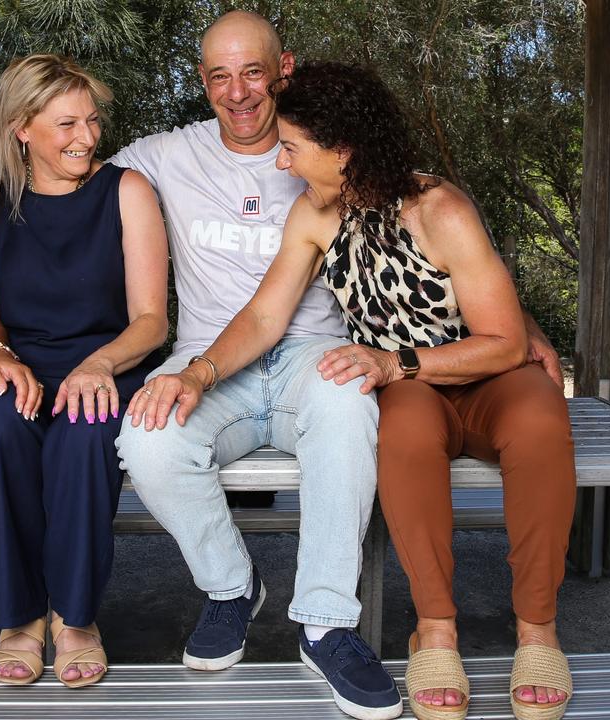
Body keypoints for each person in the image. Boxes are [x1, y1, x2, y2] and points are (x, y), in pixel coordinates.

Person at [149, 61, 575, 720]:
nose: (283, 162)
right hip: (408, 388)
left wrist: (393, 361)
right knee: (401, 433)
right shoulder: (317, 215)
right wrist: (199, 372)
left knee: (544, 420)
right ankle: (435, 630)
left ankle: (537, 631)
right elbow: (265, 316)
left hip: (479, 374)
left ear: (343, 150)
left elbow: (505, 342)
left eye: (292, 147)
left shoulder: (441, 208)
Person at [110, 11, 403, 720]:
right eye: (219, 76)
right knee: (147, 437)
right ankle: (232, 589)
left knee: (348, 397)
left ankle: (328, 623)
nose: (237, 92)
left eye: (252, 72)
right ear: (202, 83)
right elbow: (65, 168)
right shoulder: (165, 154)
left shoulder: (331, 154)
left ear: (284, 70)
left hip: (311, 355)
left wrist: (518, 326)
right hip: (209, 357)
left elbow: (430, 228)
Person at [0, 54, 168, 689]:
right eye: (66, 124)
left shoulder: (126, 190)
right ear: (22, 127)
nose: (86, 138)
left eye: (92, 121)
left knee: (83, 435)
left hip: (108, 360)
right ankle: (19, 618)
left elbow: (151, 320)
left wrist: (99, 364)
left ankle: (74, 619)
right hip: (16, 360)